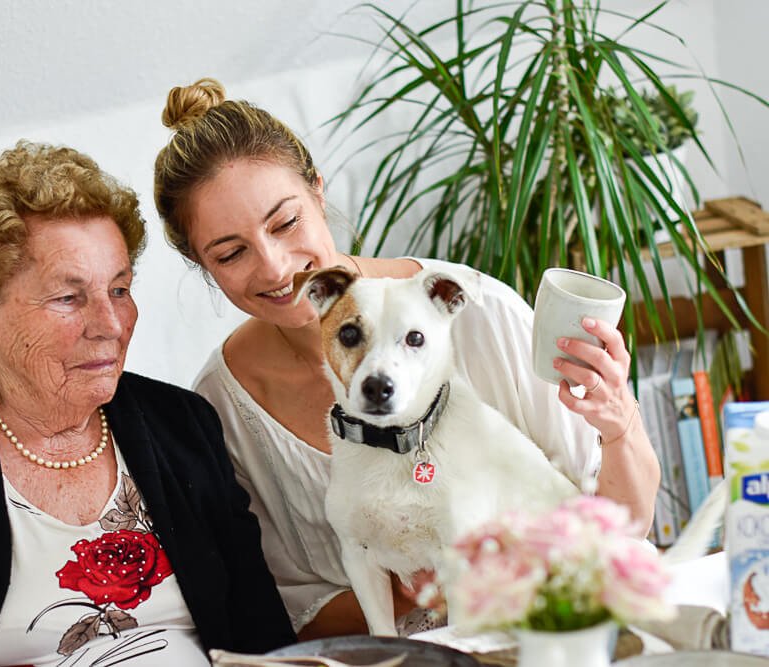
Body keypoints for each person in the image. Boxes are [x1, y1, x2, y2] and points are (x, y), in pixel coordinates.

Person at [152, 78, 661, 640]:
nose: (274, 268)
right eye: (230, 252)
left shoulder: (477, 314)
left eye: (286, 222)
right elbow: (285, 610)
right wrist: (405, 569)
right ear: (201, 264)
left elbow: (622, 527)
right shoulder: (220, 408)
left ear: (318, 192)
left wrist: (620, 427)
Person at [0, 140, 297, 666]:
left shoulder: (182, 426)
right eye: (69, 298)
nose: (111, 325)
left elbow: (265, 636)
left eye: (119, 289)